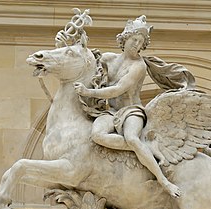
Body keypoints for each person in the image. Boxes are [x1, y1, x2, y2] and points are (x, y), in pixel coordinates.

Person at [66, 16, 181, 198]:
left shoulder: (138, 66)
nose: (137, 44)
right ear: (125, 38)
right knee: (96, 135)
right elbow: (85, 62)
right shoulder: (108, 59)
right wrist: (71, 43)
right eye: (134, 39)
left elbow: (118, 89)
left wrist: (88, 93)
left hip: (131, 111)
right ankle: (145, 149)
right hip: (110, 112)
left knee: (132, 138)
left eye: (141, 42)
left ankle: (163, 180)